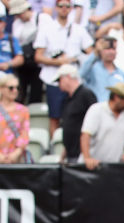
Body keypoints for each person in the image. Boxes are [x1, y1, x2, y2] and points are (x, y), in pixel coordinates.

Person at [35, 0, 95, 136]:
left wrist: (77, 59)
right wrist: (58, 61)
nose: (64, 9)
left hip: (74, 80)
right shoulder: (47, 29)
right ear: (56, 8)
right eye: (61, 6)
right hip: (53, 79)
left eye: (67, 6)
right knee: (55, 117)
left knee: (77, 115)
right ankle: (56, 146)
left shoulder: (78, 29)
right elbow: (38, 56)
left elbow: (91, 52)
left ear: (71, 9)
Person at [80, 80, 124, 168]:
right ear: (116, 97)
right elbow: (85, 135)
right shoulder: (96, 110)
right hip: (93, 167)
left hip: (112, 168)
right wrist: (87, 158)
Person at [56, 63, 97, 161]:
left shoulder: (86, 94)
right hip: (71, 153)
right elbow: (70, 127)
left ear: (68, 77)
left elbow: (96, 121)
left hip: (83, 154)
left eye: (59, 80)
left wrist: (87, 155)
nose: (58, 84)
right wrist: (63, 155)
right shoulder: (68, 99)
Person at [0, 73, 29, 162]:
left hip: (17, 158)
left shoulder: (23, 110)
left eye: (17, 88)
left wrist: (15, 154)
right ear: (1, 89)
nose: (15, 90)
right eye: (11, 88)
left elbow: (24, 134)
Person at [80, 35, 124, 101]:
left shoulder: (121, 74)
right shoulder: (93, 69)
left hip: (114, 109)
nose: (111, 52)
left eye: (113, 49)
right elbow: (81, 74)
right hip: (96, 107)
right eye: (107, 49)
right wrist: (95, 52)